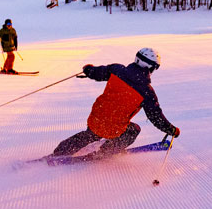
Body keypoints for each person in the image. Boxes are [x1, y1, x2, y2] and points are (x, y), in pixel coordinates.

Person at [49, 47, 179, 158]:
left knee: (91, 133)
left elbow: (97, 73)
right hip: (114, 127)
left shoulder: (117, 70)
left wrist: (88, 69)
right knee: (134, 130)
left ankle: (59, 152)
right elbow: (156, 117)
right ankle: (105, 152)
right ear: (150, 67)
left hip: (96, 117)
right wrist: (171, 130)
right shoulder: (147, 92)